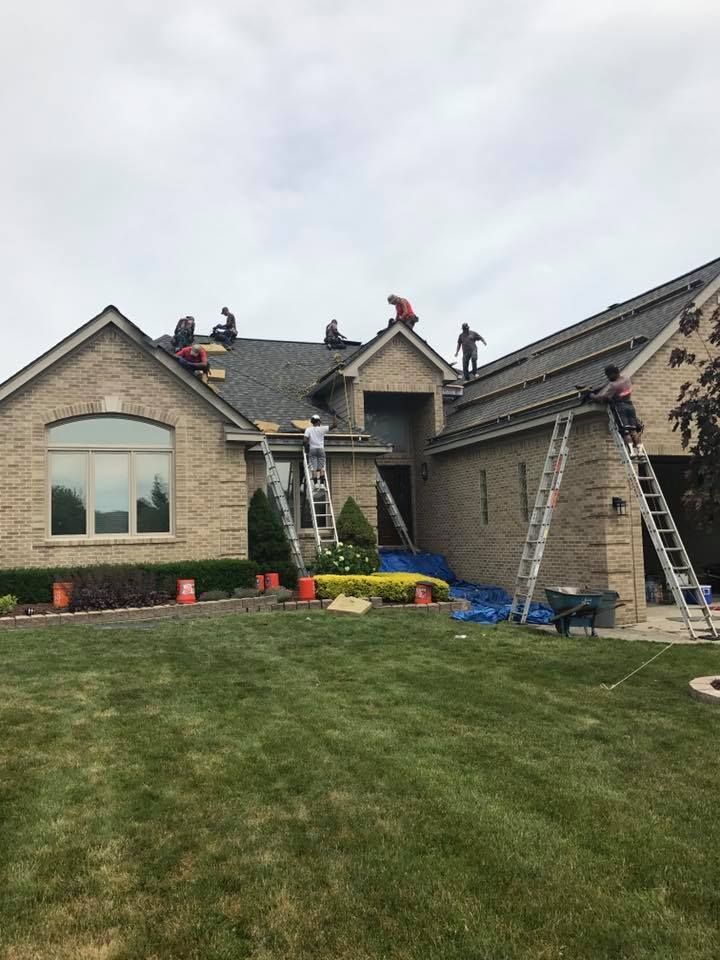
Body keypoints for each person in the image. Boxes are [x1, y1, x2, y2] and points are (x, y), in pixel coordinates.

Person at [586, 365, 644, 452]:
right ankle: (640, 452)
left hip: (620, 408)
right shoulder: (627, 379)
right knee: (633, 430)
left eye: (608, 375)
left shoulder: (613, 385)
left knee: (625, 431)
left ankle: (631, 452)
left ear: (614, 373)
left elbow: (602, 397)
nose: (608, 377)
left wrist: (591, 395)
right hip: (630, 406)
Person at [303, 413, 337, 490]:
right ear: (318, 422)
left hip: (312, 450)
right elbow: (334, 425)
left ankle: (315, 485)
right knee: (322, 467)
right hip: (321, 449)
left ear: (312, 422)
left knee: (313, 468)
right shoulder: (322, 428)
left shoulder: (308, 429)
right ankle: (322, 484)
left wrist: (306, 446)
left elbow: (305, 440)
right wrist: (334, 415)